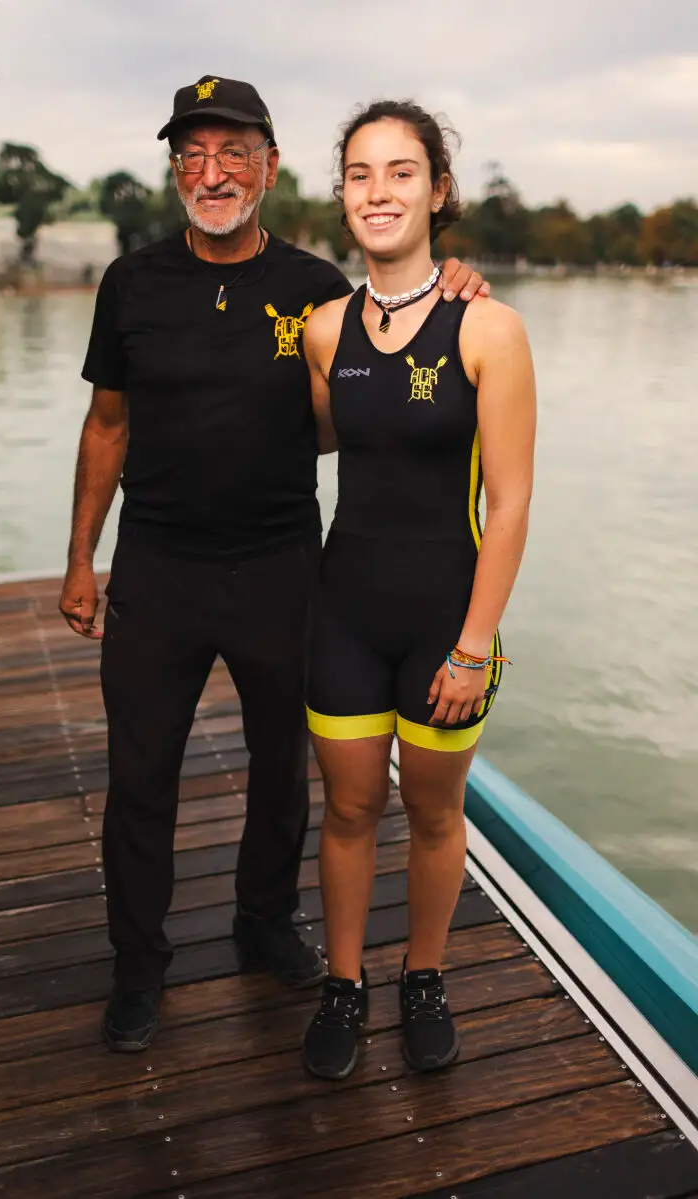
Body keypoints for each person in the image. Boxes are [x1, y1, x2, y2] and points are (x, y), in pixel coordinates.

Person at [59, 75, 489, 1053]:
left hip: (282, 564)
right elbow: (106, 423)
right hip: (158, 567)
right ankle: (139, 965)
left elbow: (390, 350)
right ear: (175, 169)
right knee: (139, 776)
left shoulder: (314, 291)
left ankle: (263, 920)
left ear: (269, 166)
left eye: (233, 153)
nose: (212, 173)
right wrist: (81, 557)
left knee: (282, 768)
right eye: (193, 155)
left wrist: (454, 282)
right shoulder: (130, 282)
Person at [301, 100, 536, 1080]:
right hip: (342, 609)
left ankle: (424, 973)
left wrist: (474, 641)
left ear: (437, 190)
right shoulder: (319, 329)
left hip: (446, 617)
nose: (377, 191)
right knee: (348, 809)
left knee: (436, 810)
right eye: (359, 173)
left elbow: (511, 499)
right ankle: (344, 983)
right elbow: (309, 440)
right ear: (342, 193)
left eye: (401, 172)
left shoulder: (489, 327)